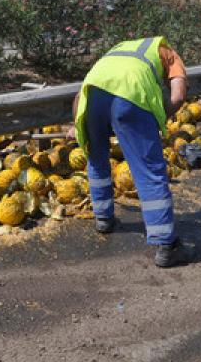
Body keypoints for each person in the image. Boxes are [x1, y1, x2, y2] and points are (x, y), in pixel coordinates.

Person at [72, 36, 193, 268]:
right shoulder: (167, 52)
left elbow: (80, 95)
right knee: (149, 169)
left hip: (92, 95)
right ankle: (167, 246)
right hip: (130, 95)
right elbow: (177, 95)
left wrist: (78, 125)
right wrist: (157, 120)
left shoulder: (118, 49)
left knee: (97, 158)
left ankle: (104, 219)